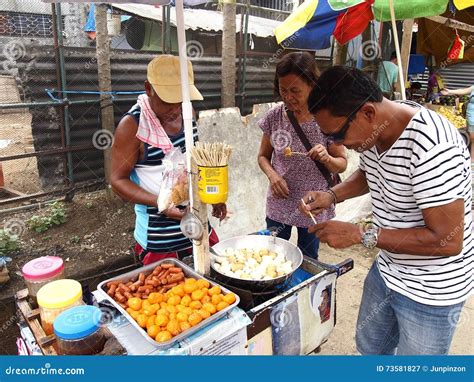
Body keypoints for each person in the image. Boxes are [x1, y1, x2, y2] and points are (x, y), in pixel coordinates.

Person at [303, 66, 472, 355]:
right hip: (389, 270)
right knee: (371, 348)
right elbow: (370, 174)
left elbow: (447, 240)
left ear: (368, 112)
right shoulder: (374, 132)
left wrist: (360, 235)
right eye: (329, 138)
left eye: (339, 134)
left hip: (431, 289)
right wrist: (331, 195)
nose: (338, 145)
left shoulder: (432, 147)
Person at [111, 55, 226, 265]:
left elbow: (193, 162)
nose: (175, 108)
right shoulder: (132, 126)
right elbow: (117, 181)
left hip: (198, 224)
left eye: (180, 100)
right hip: (159, 240)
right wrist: (160, 202)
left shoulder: (187, 112)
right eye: (167, 101)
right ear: (148, 89)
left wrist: (213, 192)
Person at [257, 52, 347, 260]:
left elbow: (341, 164)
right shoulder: (274, 116)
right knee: (273, 257)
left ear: (313, 85)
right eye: (283, 90)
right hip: (280, 202)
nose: (288, 97)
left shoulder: (326, 117)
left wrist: (326, 157)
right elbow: (262, 156)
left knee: (308, 259)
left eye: (295, 90)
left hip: (314, 206)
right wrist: (273, 176)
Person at [442, 85, 474, 159]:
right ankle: (471, 160)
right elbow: (464, 91)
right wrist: (450, 91)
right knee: (472, 138)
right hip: (470, 116)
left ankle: (472, 160)